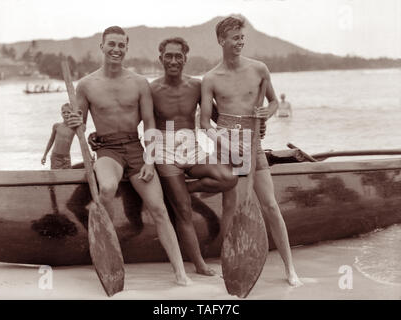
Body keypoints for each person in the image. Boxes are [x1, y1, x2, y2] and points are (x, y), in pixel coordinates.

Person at [66, 26, 192, 286]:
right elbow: (77, 120)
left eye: (121, 45)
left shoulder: (138, 83)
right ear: (102, 46)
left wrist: (149, 159)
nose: (116, 49)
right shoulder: (87, 84)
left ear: (126, 48)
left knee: (158, 208)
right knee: (108, 187)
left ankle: (180, 272)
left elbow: (149, 123)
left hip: (136, 149)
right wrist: (69, 116)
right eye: (111, 44)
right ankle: (106, 250)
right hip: (107, 150)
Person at [200, 15, 302, 287]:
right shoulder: (210, 78)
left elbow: (273, 103)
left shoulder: (259, 69)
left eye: (242, 37)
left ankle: (290, 268)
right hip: (225, 147)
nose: (240, 42)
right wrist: (225, 141)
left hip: (253, 142)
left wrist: (265, 113)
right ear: (221, 40)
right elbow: (204, 122)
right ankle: (232, 264)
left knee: (269, 204)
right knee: (230, 207)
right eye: (235, 38)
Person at [149, 37, 238, 276]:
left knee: (229, 177)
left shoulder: (197, 86)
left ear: (185, 59)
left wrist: (250, 127)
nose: (174, 60)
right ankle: (198, 263)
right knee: (184, 211)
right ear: (161, 59)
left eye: (179, 56)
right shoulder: (152, 89)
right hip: (165, 151)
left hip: (193, 147)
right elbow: (136, 121)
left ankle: (184, 189)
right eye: (169, 56)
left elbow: (219, 117)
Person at [41, 103, 75, 169]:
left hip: (66, 157)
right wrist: (45, 155)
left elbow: (82, 138)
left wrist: (88, 156)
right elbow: (51, 141)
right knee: (56, 176)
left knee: (68, 177)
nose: (66, 114)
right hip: (56, 157)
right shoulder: (57, 126)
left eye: (68, 112)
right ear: (61, 114)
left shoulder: (74, 128)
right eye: (64, 112)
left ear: (73, 113)